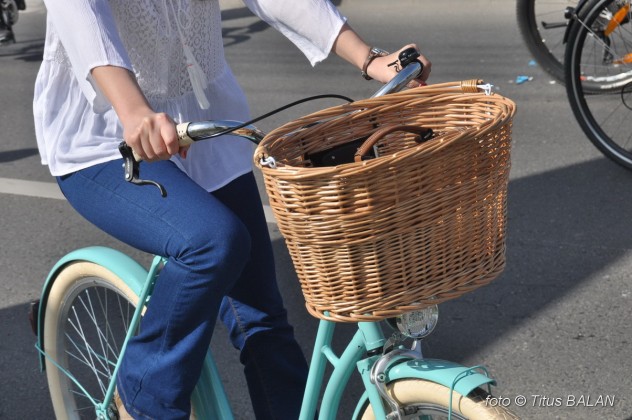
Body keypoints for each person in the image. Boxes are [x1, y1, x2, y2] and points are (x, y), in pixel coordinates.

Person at [33, 0, 431, 418]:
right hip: (106, 138)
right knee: (212, 243)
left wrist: (369, 58)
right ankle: (144, 396)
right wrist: (133, 110)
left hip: (206, 127)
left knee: (264, 322)